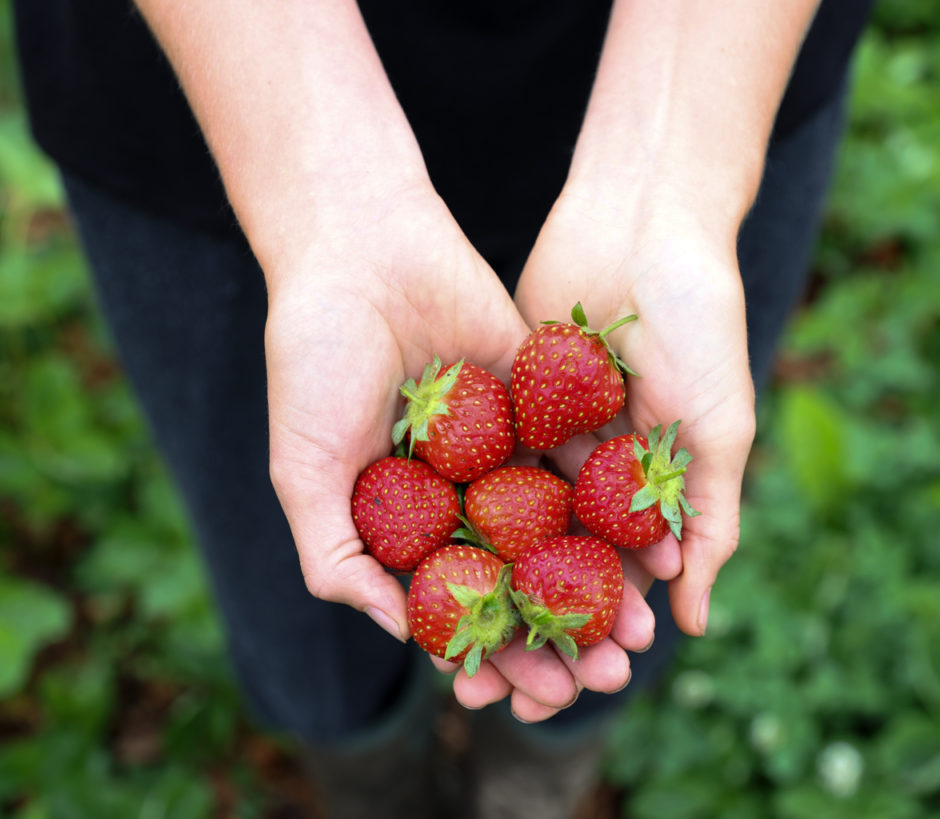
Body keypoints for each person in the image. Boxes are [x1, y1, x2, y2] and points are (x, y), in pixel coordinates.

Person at [13, 1, 874, 816]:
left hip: (719, 67)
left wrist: (669, 190)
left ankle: (540, 774)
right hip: (222, 86)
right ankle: (369, 778)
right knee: (286, 588)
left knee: (639, 592)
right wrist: (322, 205)